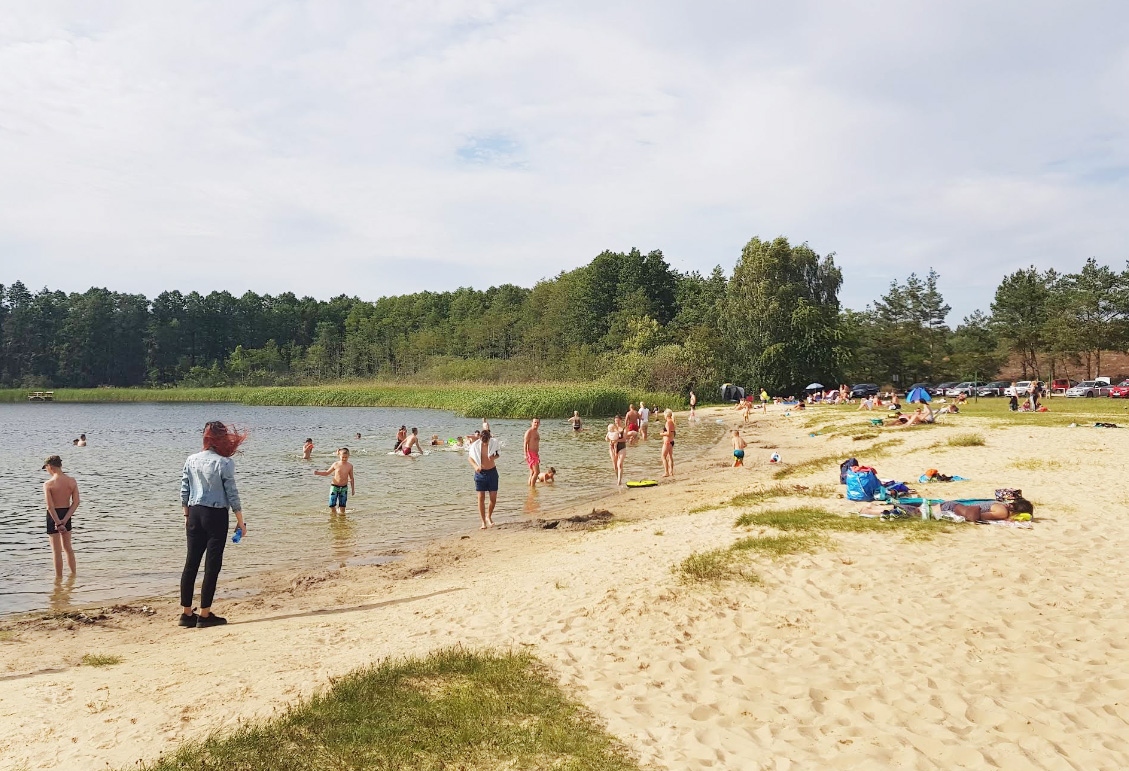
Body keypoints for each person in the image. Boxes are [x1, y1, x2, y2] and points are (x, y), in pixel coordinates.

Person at [179, 421, 247, 628]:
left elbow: (184, 488)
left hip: (194, 513)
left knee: (191, 563)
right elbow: (232, 493)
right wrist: (240, 521)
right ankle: (205, 614)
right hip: (216, 515)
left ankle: (186, 614)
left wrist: (186, 515)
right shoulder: (224, 463)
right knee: (212, 565)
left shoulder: (191, 459)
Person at [42, 455, 79, 579]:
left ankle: (58, 580)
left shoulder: (48, 484)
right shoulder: (72, 481)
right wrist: (65, 520)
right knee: (68, 548)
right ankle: (73, 576)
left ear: (50, 467)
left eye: (46, 468)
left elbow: (50, 506)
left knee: (56, 551)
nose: (47, 471)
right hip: (66, 513)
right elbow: (76, 502)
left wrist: (57, 522)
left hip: (53, 516)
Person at [468, 429, 500, 528]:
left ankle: (488, 516)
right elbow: (470, 458)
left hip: (492, 472)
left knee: (493, 498)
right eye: (483, 441)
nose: (485, 443)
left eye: (487, 441)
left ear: (489, 438)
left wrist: (494, 458)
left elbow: (498, 454)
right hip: (480, 473)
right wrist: (475, 467)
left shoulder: (494, 443)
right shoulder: (475, 446)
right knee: (481, 498)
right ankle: (483, 521)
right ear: (480, 438)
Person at [315, 447, 355, 514]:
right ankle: (334, 515)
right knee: (331, 504)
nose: (344, 459)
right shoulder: (336, 464)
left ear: (348, 456)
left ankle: (341, 519)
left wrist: (353, 489)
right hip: (334, 486)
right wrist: (318, 473)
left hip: (344, 488)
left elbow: (351, 478)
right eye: (343, 457)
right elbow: (327, 473)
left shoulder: (350, 466)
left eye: (346, 457)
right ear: (339, 455)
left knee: (343, 506)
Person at [940, 497, 1034, 522]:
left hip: (952, 505)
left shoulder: (1001, 504)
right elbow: (980, 517)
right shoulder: (1003, 512)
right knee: (932, 513)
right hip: (951, 509)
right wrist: (1007, 518)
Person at [605, 417, 627, 486]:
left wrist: (616, 440)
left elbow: (624, 439)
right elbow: (607, 438)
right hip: (612, 447)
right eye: (616, 421)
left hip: (621, 447)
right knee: (615, 466)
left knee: (619, 464)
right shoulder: (612, 428)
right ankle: (618, 478)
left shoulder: (624, 428)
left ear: (621, 420)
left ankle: (619, 481)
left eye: (618, 420)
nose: (617, 422)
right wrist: (610, 439)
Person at [523, 418, 541, 488]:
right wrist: (525, 454)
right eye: (535, 422)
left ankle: (530, 489)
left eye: (537, 422)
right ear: (532, 423)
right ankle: (533, 488)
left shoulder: (536, 432)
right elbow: (525, 443)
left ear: (539, 424)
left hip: (535, 454)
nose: (536, 424)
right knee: (537, 472)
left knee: (532, 472)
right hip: (531, 454)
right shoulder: (529, 432)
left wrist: (537, 453)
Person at [661, 409, 676, 477]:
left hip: (667, 442)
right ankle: (671, 471)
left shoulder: (668, 422)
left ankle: (666, 472)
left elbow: (669, 433)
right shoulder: (672, 422)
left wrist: (662, 434)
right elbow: (672, 433)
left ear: (666, 415)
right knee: (670, 456)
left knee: (663, 456)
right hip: (671, 441)